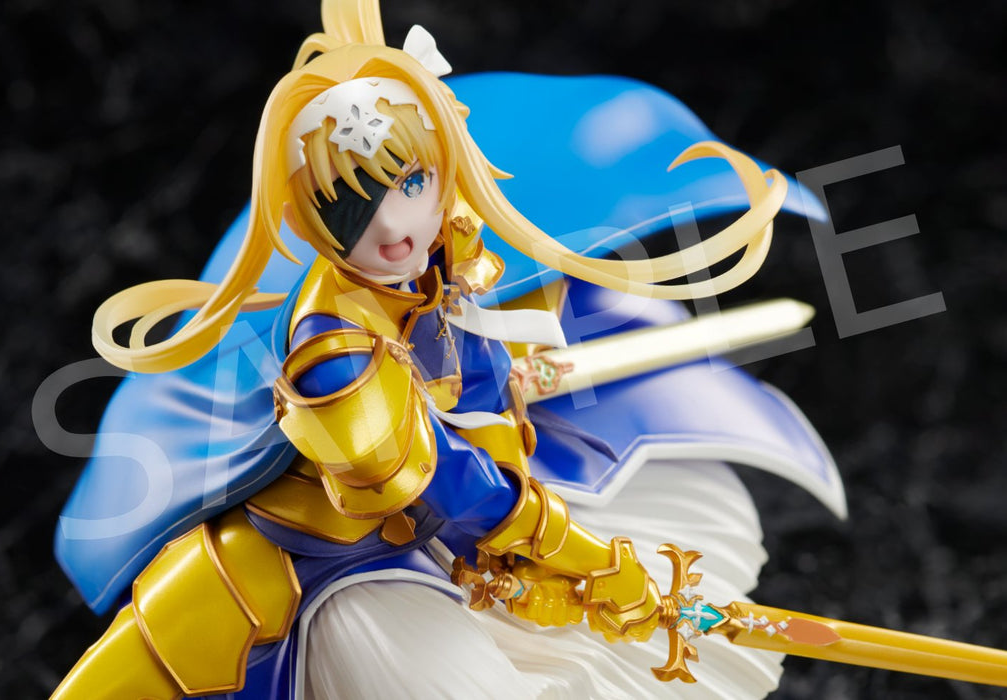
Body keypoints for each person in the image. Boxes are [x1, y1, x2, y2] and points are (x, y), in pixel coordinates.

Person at [53, 1, 839, 697]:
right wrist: (591, 563)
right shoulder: (332, 358)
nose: (393, 229)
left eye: (409, 184)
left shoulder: (443, 260)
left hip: (439, 546)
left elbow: (477, 404)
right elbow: (454, 490)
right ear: (304, 222)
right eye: (349, 207)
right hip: (331, 584)